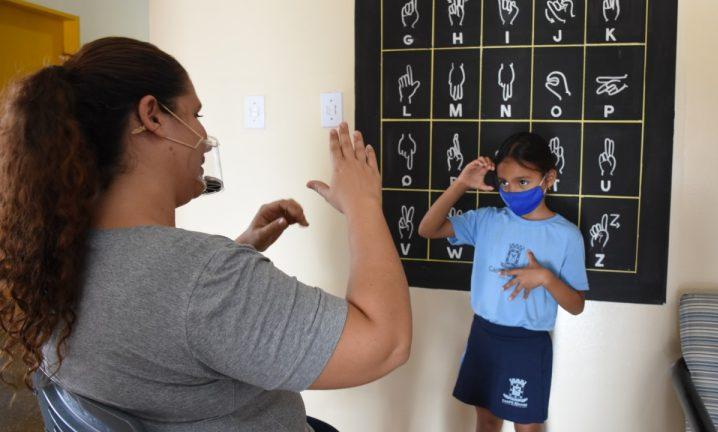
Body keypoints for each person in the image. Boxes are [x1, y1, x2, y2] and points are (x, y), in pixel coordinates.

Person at [0, 37, 411, 432]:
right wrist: (362, 204)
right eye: (195, 115)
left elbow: (160, 309)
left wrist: (241, 248)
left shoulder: (52, 257)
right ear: (152, 116)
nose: (203, 138)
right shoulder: (202, 279)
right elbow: (384, 343)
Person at [418, 132, 588, 432]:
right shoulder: (487, 220)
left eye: (523, 181)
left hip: (527, 343)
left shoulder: (566, 236)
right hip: (484, 335)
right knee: (486, 421)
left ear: (548, 179)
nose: (511, 190)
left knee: (527, 426)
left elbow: (576, 305)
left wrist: (546, 278)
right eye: (504, 183)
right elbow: (427, 229)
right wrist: (460, 184)